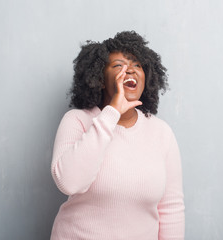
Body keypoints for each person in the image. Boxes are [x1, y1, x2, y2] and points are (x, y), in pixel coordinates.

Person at [50, 31, 185, 240]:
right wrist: (111, 114)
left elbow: (171, 209)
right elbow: (69, 182)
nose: (130, 69)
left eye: (137, 65)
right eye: (118, 65)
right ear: (101, 80)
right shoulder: (77, 120)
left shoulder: (162, 133)